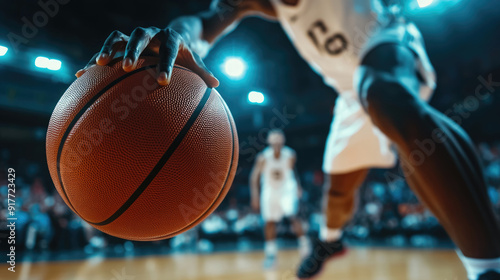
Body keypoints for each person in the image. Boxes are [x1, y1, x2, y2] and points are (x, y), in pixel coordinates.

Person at [76, 0, 500, 279]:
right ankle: (330, 242)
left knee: (389, 99)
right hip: (353, 90)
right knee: (338, 188)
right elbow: (204, 21)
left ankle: (487, 264)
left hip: (389, 50)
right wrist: (174, 34)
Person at [249, 129, 308, 268]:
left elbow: (293, 170)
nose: (276, 141)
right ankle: (271, 254)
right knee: (269, 222)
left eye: (278, 138)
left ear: (283, 140)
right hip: (269, 189)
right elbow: (254, 177)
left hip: (286, 188)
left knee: (292, 215)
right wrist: (255, 196)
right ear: (269, 141)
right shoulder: (263, 157)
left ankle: (305, 246)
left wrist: (298, 186)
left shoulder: (290, 154)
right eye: (273, 139)